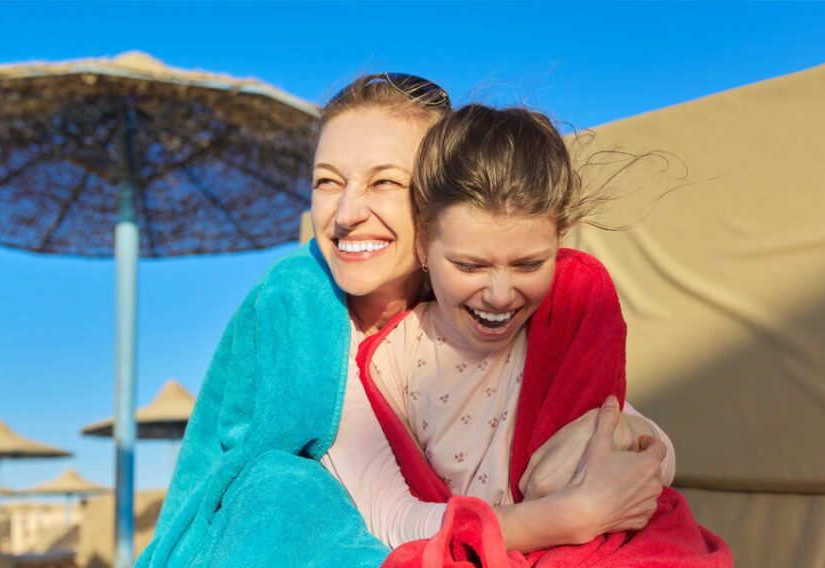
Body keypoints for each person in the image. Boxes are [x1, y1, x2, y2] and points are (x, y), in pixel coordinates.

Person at [138, 74, 676, 568]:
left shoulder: (491, 301)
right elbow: (373, 513)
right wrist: (563, 519)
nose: (345, 213)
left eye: (384, 183)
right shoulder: (312, 320)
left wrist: (627, 435)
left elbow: (589, 403)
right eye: (328, 182)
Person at [355, 103, 731, 566]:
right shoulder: (390, 361)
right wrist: (560, 517)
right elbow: (387, 517)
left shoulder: (563, 318)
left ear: (560, 241)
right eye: (469, 266)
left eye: (529, 264)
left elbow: (653, 457)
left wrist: (626, 432)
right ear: (423, 247)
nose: (498, 294)